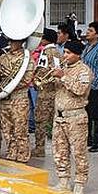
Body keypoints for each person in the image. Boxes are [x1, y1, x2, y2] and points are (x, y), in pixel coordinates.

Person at [50, 40, 92, 194]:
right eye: (65, 52)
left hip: (76, 117)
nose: (65, 56)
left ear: (78, 54)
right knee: (59, 150)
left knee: (78, 151)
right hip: (59, 117)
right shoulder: (63, 68)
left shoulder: (84, 71)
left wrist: (63, 77)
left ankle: (80, 182)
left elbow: (80, 90)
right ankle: (63, 180)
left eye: (69, 53)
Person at [0, 35, 34, 163]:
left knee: (20, 128)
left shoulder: (26, 59)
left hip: (19, 99)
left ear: (21, 42)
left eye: (14, 41)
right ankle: (11, 151)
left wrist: (8, 82)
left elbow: (26, 79)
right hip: (5, 99)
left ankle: (22, 154)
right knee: (6, 129)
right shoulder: (3, 57)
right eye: (10, 41)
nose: (11, 43)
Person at [32, 29, 61, 158]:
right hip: (54, 92)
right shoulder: (58, 52)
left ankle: (39, 148)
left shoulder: (45, 52)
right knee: (55, 121)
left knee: (40, 122)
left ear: (46, 39)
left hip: (44, 92)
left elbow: (42, 70)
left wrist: (36, 78)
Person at [81, 21, 98, 152]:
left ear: (97, 35)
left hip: (96, 86)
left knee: (97, 114)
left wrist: (94, 85)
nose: (87, 32)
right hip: (86, 86)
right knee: (87, 113)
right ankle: (88, 138)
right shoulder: (86, 47)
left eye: (90, 30)